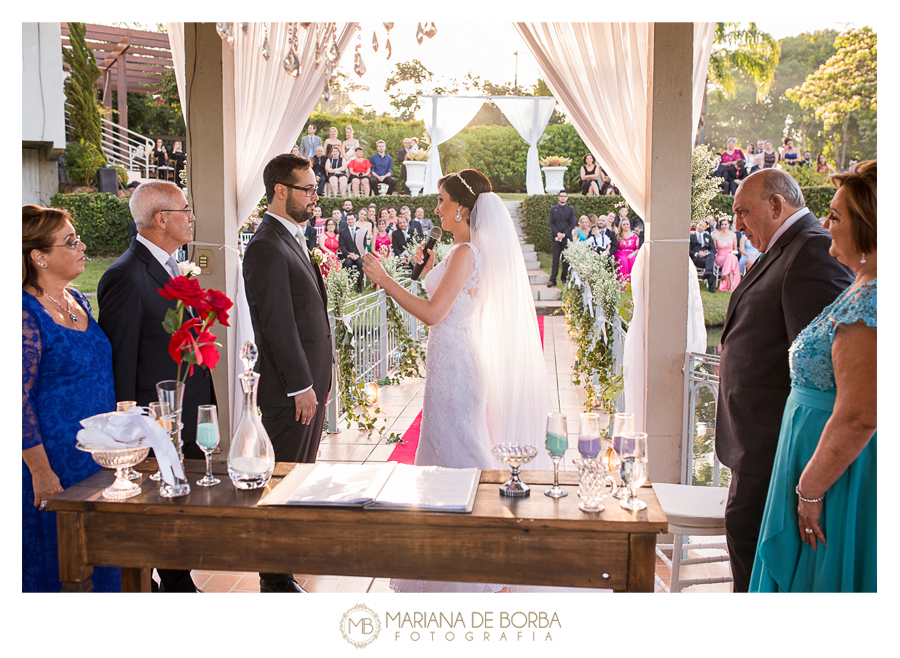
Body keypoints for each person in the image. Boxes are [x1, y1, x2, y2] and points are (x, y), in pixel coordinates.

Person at [361, 169, 549, 593]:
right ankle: (448, 556)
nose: (437, 207)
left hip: (457, 367)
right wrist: (426, 270)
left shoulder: (466, 253)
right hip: (449, 362)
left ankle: (484, 556)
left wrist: (384, 280)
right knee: (444, 452)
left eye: (443, 199)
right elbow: (444, 299)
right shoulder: (462, 250)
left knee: (461, 453)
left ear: (462, 206)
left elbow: (432, 313)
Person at [715, 168, 854, 593]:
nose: (736, 224)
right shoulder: (786, 247)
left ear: (776, 205)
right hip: (755, 447)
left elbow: (822, 367)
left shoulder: (811, 251)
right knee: (747, 558)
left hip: (775, 449)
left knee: (761, 568)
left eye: (743, 212)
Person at [750, 160, 877, 592]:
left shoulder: (871, 304)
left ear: (869, 226)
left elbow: (860, 414)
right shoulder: (862, 285)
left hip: (836, 475)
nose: (826, 224)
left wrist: (810, 487)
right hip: (807, 452)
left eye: (837, 217)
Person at [98, 181, 214, 593]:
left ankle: (180, 582)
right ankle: (155, 589)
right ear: (162, 218)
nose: (193, 217)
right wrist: (132, 429)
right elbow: (121, 358)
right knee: (154, 510)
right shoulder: (125, 276)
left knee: (179, 505)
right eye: (186, 209)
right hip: (152, 422)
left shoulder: (173, 266)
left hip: (184, 411)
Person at [242, 153, 333, 593]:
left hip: (309, 384)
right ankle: (273, 578)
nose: (315, 196)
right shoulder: (265, 245)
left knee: (300, 476)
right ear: (281, 190)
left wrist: (320, 379)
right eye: (308, 188)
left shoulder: (292, 237)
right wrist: (301, 385)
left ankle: (285, 567)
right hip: (288, 390)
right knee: (283, 482)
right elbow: (278, 324)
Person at [22, 205, 121, 593]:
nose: (82, 246)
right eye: (70, 242)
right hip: (53, 467)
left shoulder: (79, 299)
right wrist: (41, 472)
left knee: (106, 563)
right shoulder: (24, 314)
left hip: (98, 461)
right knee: (61, 568)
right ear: (39, 256)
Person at [547, 190, 576, 287]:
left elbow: (572, 223)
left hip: (566, 237)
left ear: (567, 198)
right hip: (555, 237)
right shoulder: (553, 209)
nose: (563, 198)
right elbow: (551, 223)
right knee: (555, 259)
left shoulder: (570, 209)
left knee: (565, 260)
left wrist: (564, 234)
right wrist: (557, 233)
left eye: (565, 196)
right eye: (561, 196)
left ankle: (564, 278)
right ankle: (553, 279)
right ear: (558, 197)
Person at [712, 217, 741, 292]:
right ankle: (731, 286)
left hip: (731, 256)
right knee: (730, 259)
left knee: (730, 257)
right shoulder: (716, 235)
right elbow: (713, 248)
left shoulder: (733, 235)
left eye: (725, 224)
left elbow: (735, 249)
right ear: (720, 225)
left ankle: (726, 277)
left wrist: (731, 253)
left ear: (728, 224)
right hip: (720, 257)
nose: (724, 226)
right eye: (722, 224)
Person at [339, 213, 365, 293]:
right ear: (346, 220)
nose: (350, 221)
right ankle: (349, 284)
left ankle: (359, 285)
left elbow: (362, 244)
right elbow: (342, 245)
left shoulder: (360, 230)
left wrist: (357, 254)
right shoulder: (342, 232)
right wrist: (349, 254)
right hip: (348, 256)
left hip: (358, 255)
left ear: (355, 219)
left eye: (352, 219)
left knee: (361, 263)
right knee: (347, 263)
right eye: (348, 219)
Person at [690, 222, 717, 293]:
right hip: (696, 258)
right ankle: (711, 284)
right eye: (699, 225)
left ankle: (708, 273)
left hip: (707, 257)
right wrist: (697, 254)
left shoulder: (708, 236)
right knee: (710, 263)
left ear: (705, 227)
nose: (700, 227)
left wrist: (706, 253)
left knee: (711, 255)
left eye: (702, 226)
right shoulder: (691, 236)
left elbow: (713, 250)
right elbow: (688, 250)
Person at [614, 217, 640, 286]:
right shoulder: (618, 236)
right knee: (623, 260)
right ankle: (622, 283)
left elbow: (638, 248)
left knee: (633, 260)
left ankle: (633, 284)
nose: (626, 226)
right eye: (624, 224)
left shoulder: (635, 236)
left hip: (632, 253)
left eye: (627, 224)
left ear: (629, 225)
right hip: (620, 253)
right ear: (621, 226)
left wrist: (632, 254)